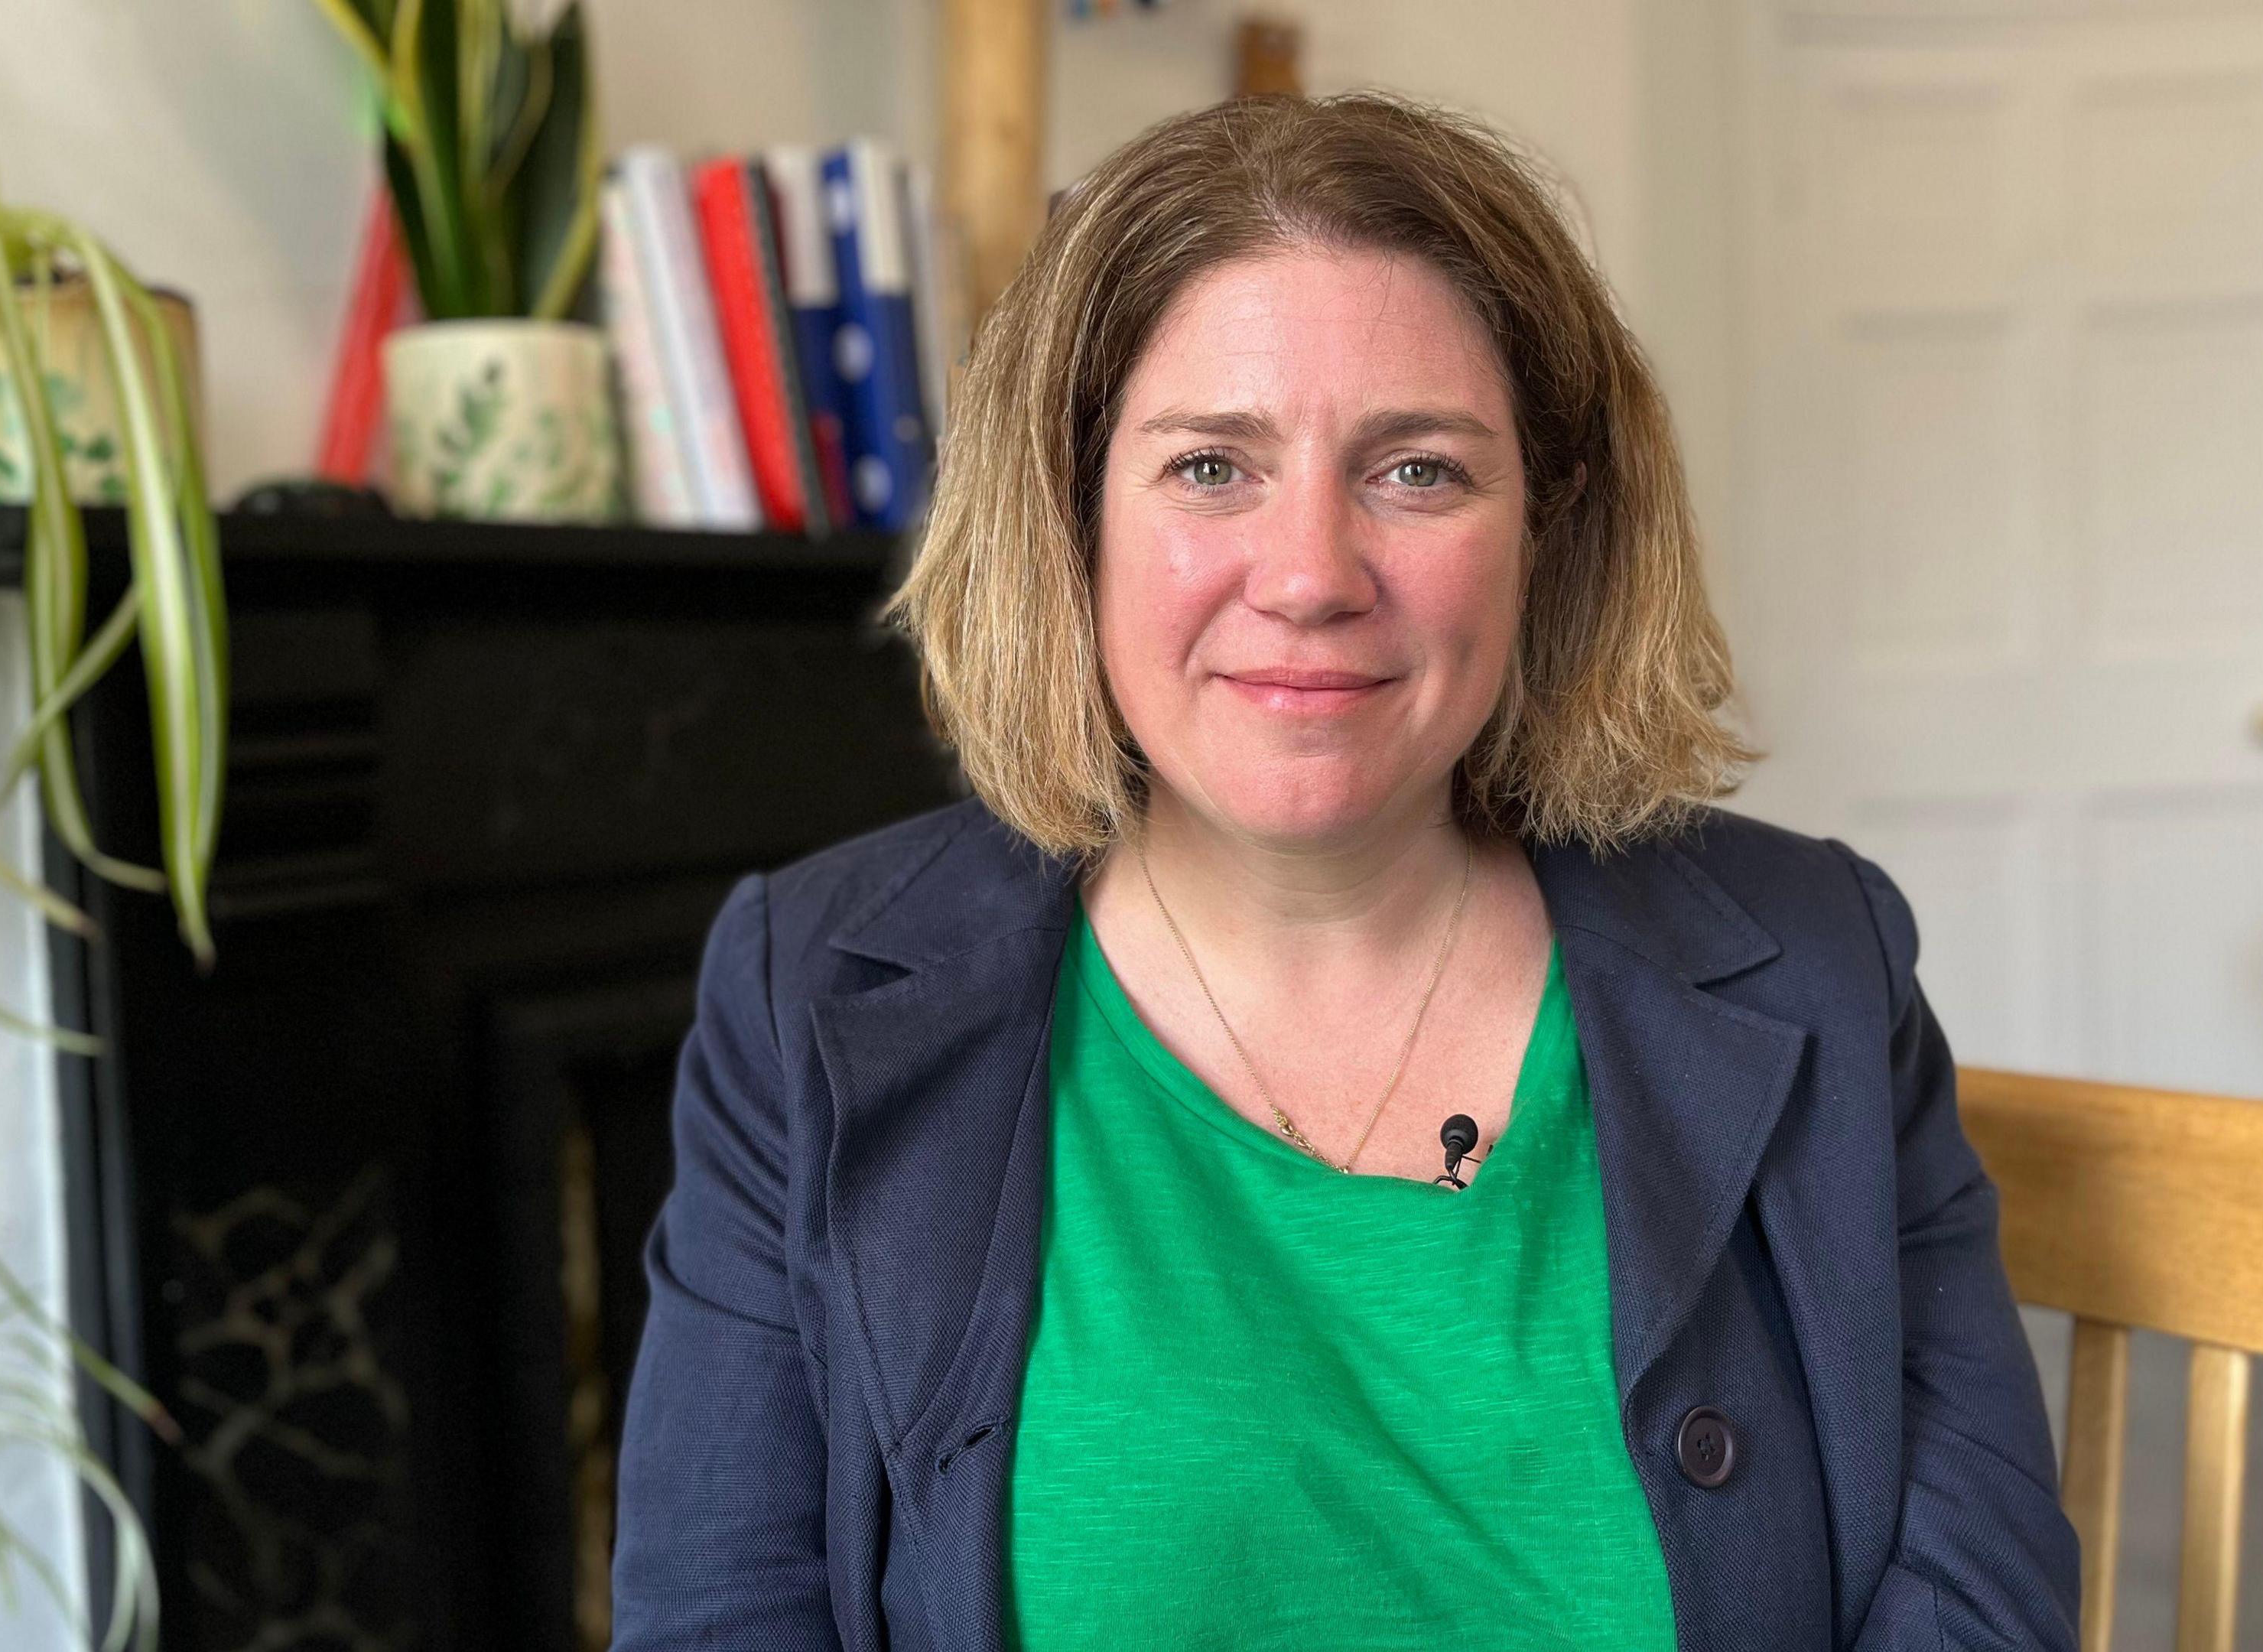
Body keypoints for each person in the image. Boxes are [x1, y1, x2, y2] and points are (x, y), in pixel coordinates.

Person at [610, 93, 2076, 1650]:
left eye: (1420, 472)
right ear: (1069, 516)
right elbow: (724, 1615)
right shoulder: (807, 987)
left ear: (1550, 526)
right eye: (1208, 469)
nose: (1311, 576)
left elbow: (1977, 1609)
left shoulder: (1817, 955)